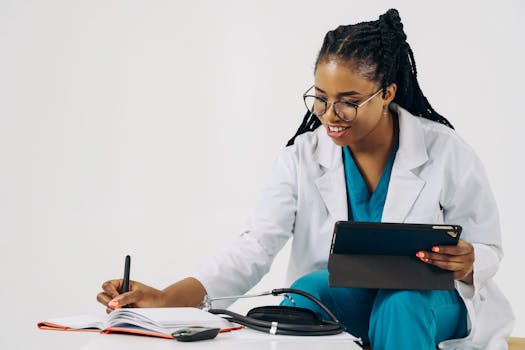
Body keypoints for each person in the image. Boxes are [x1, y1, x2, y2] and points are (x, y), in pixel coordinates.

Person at [97, 9, 514, 349]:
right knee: (306, 292)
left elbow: (489, 246)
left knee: (400, 304)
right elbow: (255, 246)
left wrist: (470, 258)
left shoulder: (447, 152)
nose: (330, 115)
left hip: (433, 302)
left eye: (348, 102)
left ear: (387, 93)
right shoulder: (302, 157)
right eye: (321, 97)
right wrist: (169, 299)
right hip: (349, 296)